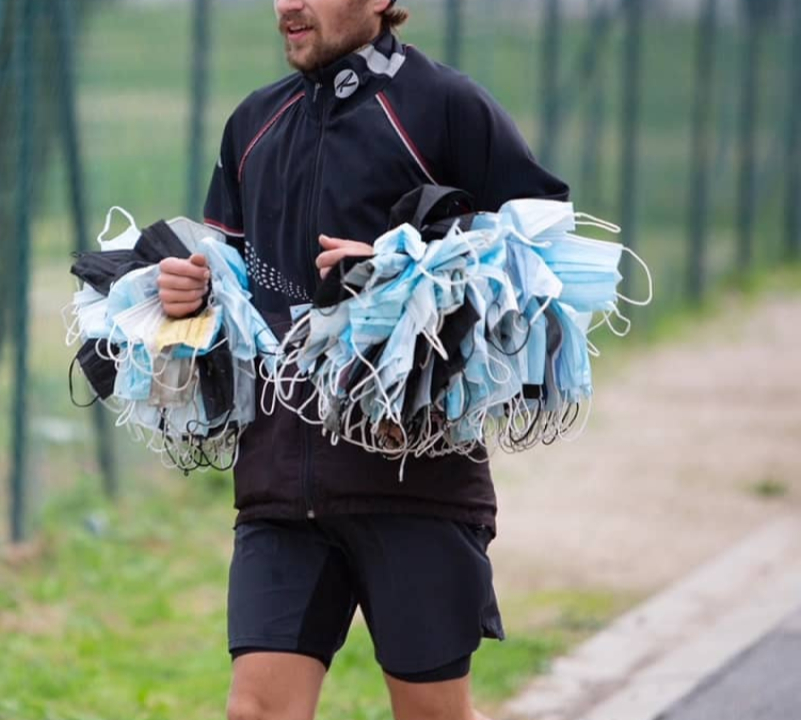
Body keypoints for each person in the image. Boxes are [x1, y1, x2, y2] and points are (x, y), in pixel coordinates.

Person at [156, 1, 570, 719]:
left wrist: (408, 271)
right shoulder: (253, 124)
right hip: (281, 484)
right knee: (255, 710)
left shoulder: (444, 106)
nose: (289, 4)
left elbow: (544, 257)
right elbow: (227, 287)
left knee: (432, 714)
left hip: (414, 479)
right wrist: (181, 296)